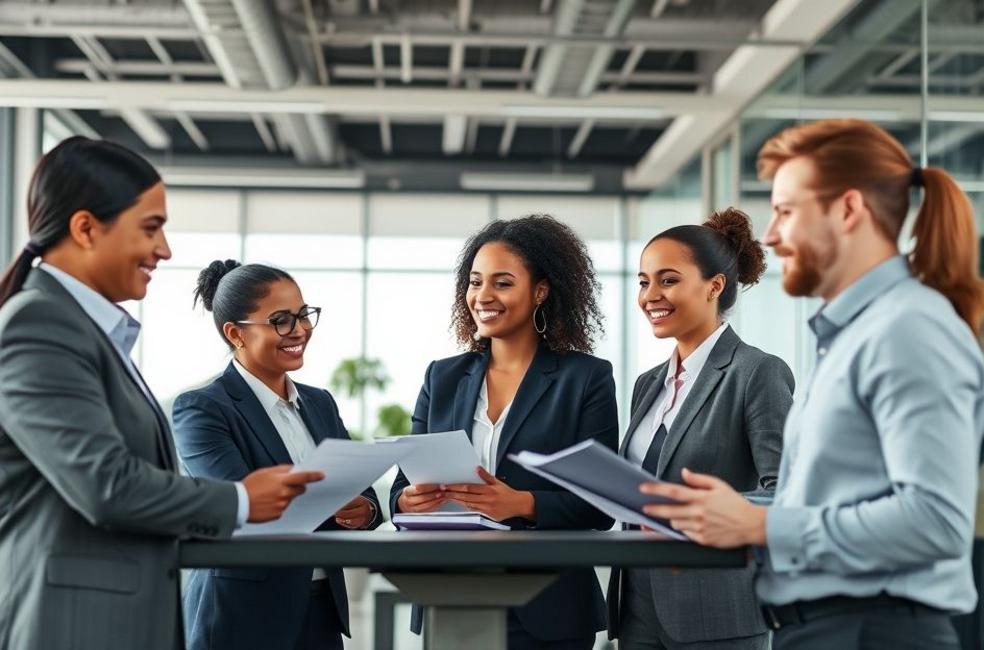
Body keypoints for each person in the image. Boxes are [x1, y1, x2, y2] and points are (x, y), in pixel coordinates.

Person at [638, 119, 984, 650]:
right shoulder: (850, 336)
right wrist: (726, 520)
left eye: (785, 212)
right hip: (825, 627)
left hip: (875, 631)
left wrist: (761, 526)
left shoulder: (908, 328)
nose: (771, 236)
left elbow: (935, 521)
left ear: (848, 210)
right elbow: (825, 503)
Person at [0, 137, 322, 650]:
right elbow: (106, 485)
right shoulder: (40, 325)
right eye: (150, 228)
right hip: (73, 624)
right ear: (85, 228)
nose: (165, 250)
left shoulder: (84, 330)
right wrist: (241, 499)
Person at [390, 215, 618, 649]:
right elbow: (401, 487)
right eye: (475, 282)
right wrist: (407, 500)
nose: (483, 296)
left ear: (541, 291)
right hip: (452, 600)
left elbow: (601, 503)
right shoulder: (442, 378)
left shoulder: (585, 379)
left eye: (503, 283)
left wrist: (520, 503)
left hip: (549, 607)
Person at [608, 207, 793, 650]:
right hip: (637, 603)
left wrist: (700, 510)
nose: (650, 294)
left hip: (718, 606)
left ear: (714, 286)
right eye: (643, 281)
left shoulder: (756, 372)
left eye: (668, 280)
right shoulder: (646, 384)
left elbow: (788, 490)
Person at [171, 260, 381, 650]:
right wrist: (324, 501)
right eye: (281, 320)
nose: (299, 330)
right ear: (236, 333)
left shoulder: (319, 403)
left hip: (320, 611)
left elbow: (365, 493)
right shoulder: (202, 408)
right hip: (241, 615)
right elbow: (239, 504)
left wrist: (362, 511)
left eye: (303, 315)